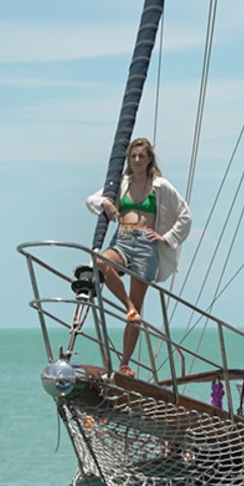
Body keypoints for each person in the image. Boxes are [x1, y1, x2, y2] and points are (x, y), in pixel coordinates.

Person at [86, 138, 192, 376]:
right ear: (128, 159)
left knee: (136, 315)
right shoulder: (121, 183)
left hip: (146, 245)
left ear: (149, 159)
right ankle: (129, 306)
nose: (137, 160)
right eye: (133, 156)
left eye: (141, 156)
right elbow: (90, 200)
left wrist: (167, 238)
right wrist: (106, 201)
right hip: (122, 239)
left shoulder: (161, 186)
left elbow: (185, 216)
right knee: (101, 262)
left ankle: (124, 363)